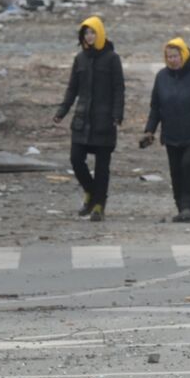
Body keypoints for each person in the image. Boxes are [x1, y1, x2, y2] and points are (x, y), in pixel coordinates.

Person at [53, 16, 125, 223]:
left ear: (100, 33)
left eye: (93, 32)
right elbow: (72, 88)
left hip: (104, 121)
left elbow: (119, 89)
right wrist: (62, 111)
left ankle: (99, 205)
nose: (89, 36)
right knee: (76, 159)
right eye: (86, 33)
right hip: (82, 120)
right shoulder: (80, 59)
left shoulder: (112, 58)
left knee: (102, 167)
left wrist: (117, 115)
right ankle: (91, 193)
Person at [140, 37, 190, 223]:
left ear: (183, 55)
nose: (172, 60)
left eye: (175, 56)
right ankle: (180, 206)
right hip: (171, 134)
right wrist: (150, 130)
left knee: (189, 165)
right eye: (169, 57)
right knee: (175, 170)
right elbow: (155, 107)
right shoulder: (162, 77)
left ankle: (188, 206)